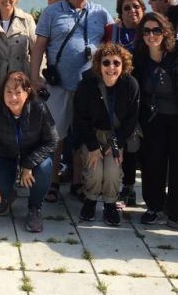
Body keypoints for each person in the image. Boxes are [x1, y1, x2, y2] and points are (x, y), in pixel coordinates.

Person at [31, 0, 112, 202]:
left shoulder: (101, 14)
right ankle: (53, 181)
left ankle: (78, 181)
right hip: (59, 85)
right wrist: (34, 76)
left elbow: (112, 46)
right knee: (56, 136)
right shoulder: (52, 12)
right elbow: (39, 47)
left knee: (82, 135)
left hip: (90, 87)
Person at [132, 12, 178, 235]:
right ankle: (154, 207)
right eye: (147, 31)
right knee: (153, 164)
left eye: (156, 30)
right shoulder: (139, 56)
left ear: (165, 32)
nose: (151, 35)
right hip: (153, 119)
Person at [0, 71, 58, 233]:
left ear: (28, 92)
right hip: (5, 156)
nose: (13, 98)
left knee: (44, 168)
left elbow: (52, 140)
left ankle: (34, 208)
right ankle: (8, 194)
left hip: (32, 157)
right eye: (8, 92)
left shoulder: (39, 108)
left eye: (18, 93)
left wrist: (28, 164)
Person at [73, 44, 140, 226]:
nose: (111, 67)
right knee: (94, 171)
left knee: (112, 171)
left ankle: (110, 204)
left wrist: (118, 143)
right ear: (98, 65)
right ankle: (91, 200)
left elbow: (131, 119)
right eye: (106, 63)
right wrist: (93, 146)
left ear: (123, 65)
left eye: (116, 63)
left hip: (117, 136)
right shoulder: (87, 85)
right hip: (92, 135)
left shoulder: (130, 85)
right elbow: (80, 117)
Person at [103, 0, 145, 207]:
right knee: (124, 139)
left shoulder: (150, 30)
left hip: (145, 94)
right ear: (120, 10)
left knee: (137, 143)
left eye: (136, 6)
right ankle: (123, 187)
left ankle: (138, 189)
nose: (132, 11)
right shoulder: (112, 31)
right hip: (117, 94)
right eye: (127, 7)